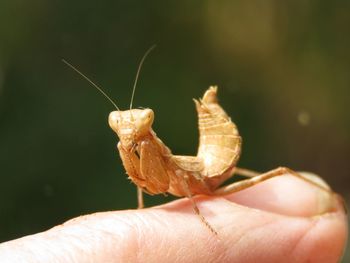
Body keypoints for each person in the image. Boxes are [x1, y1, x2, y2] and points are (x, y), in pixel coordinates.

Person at [0, 173, 347, 262]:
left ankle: (328, 199)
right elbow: (149, 182)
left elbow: (184, 183)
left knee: (280, 172)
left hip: (207, 174)